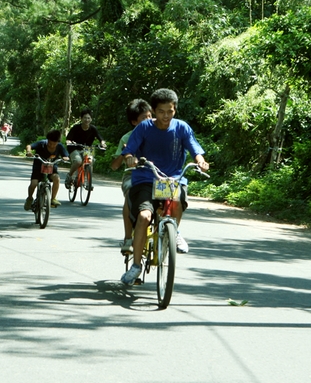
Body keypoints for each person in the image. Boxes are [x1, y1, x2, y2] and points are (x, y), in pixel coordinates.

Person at [120, 88, 209, 285]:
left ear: (175, 109)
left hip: (173, 179)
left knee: (177, 203)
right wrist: (130, 159)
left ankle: (174, 232)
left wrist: (201, 161)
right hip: (146, 178)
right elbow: (129, 150)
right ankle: (136, 266)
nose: (166, 116)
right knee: (144, 216)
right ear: (154, 110)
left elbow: (195, 149)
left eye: (170, 111)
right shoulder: (143, 128)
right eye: (161, 111)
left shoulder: (182, 128)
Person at [110, 99, 152, 255]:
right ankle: (128, 238)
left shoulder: (160, 132)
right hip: (133, 175)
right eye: (143, 118)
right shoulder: (127, 138)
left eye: (150, 116)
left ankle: (168, 231)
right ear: (134, 122)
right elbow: (114, 165)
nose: (148, 121)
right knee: (130, 195)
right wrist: (125, 154)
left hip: (156, 175)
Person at [24, 130, 70, 210]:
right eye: (50, 143)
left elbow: (66, 155)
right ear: (47, 140)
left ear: (57, 142)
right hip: (38, 167)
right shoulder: (42, 143)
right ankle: (29, 198)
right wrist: (29, 151)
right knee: (34, 184)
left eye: (54, 144)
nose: (52, 145)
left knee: (57, 179)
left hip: (51, 168)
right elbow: (29, 146)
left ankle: (53, 199)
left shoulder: (59, 146)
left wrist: (66, 157)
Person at [65, 109, 107, 188]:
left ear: (91, 119)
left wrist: (103, 143)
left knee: (90, 161)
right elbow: (68, 139)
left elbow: (100, 138)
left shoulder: (93, 128)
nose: (87, 120)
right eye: (85, 118)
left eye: (88, 118)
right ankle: (69, 175)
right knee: (78, 161)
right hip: (75, 148)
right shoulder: (75, 128)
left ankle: (88, 183)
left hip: (88, 148)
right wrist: (69, 142)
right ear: (81, 118)